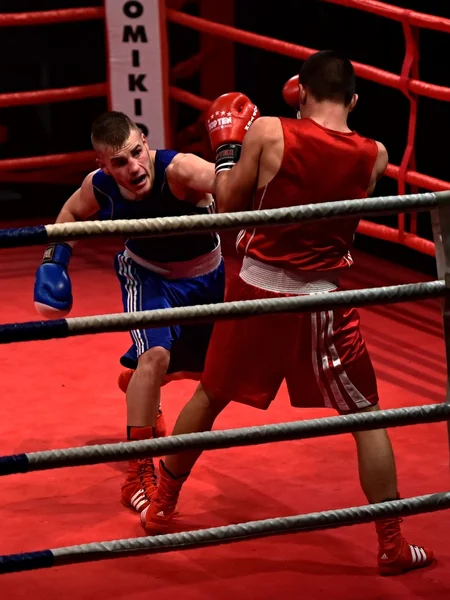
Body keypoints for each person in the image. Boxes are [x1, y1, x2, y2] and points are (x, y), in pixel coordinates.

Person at [139, 51, 434, 576]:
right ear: (354, 100)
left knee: (211, 394)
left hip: (256, 292)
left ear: (300, 92)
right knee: (369, 417)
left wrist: (229, 149)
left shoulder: (271, 132)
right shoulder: (376, 155)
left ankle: (162, 506)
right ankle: (391, 545)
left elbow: (228, 205)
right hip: (323, 301)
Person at [33, 111, 225, 516]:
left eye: (137, 152)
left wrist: (231, 158)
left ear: (144, 140)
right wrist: (55, 262)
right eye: (119, 161)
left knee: (213, 373)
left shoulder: (181, 170)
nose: (134, 167)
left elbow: (232, 185)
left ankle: (140, 383)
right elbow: (68, 215)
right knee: (155, 355)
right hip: (146, 275)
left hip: (207, 276)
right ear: (102, 164)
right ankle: (138, 470)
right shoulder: (100, 187)